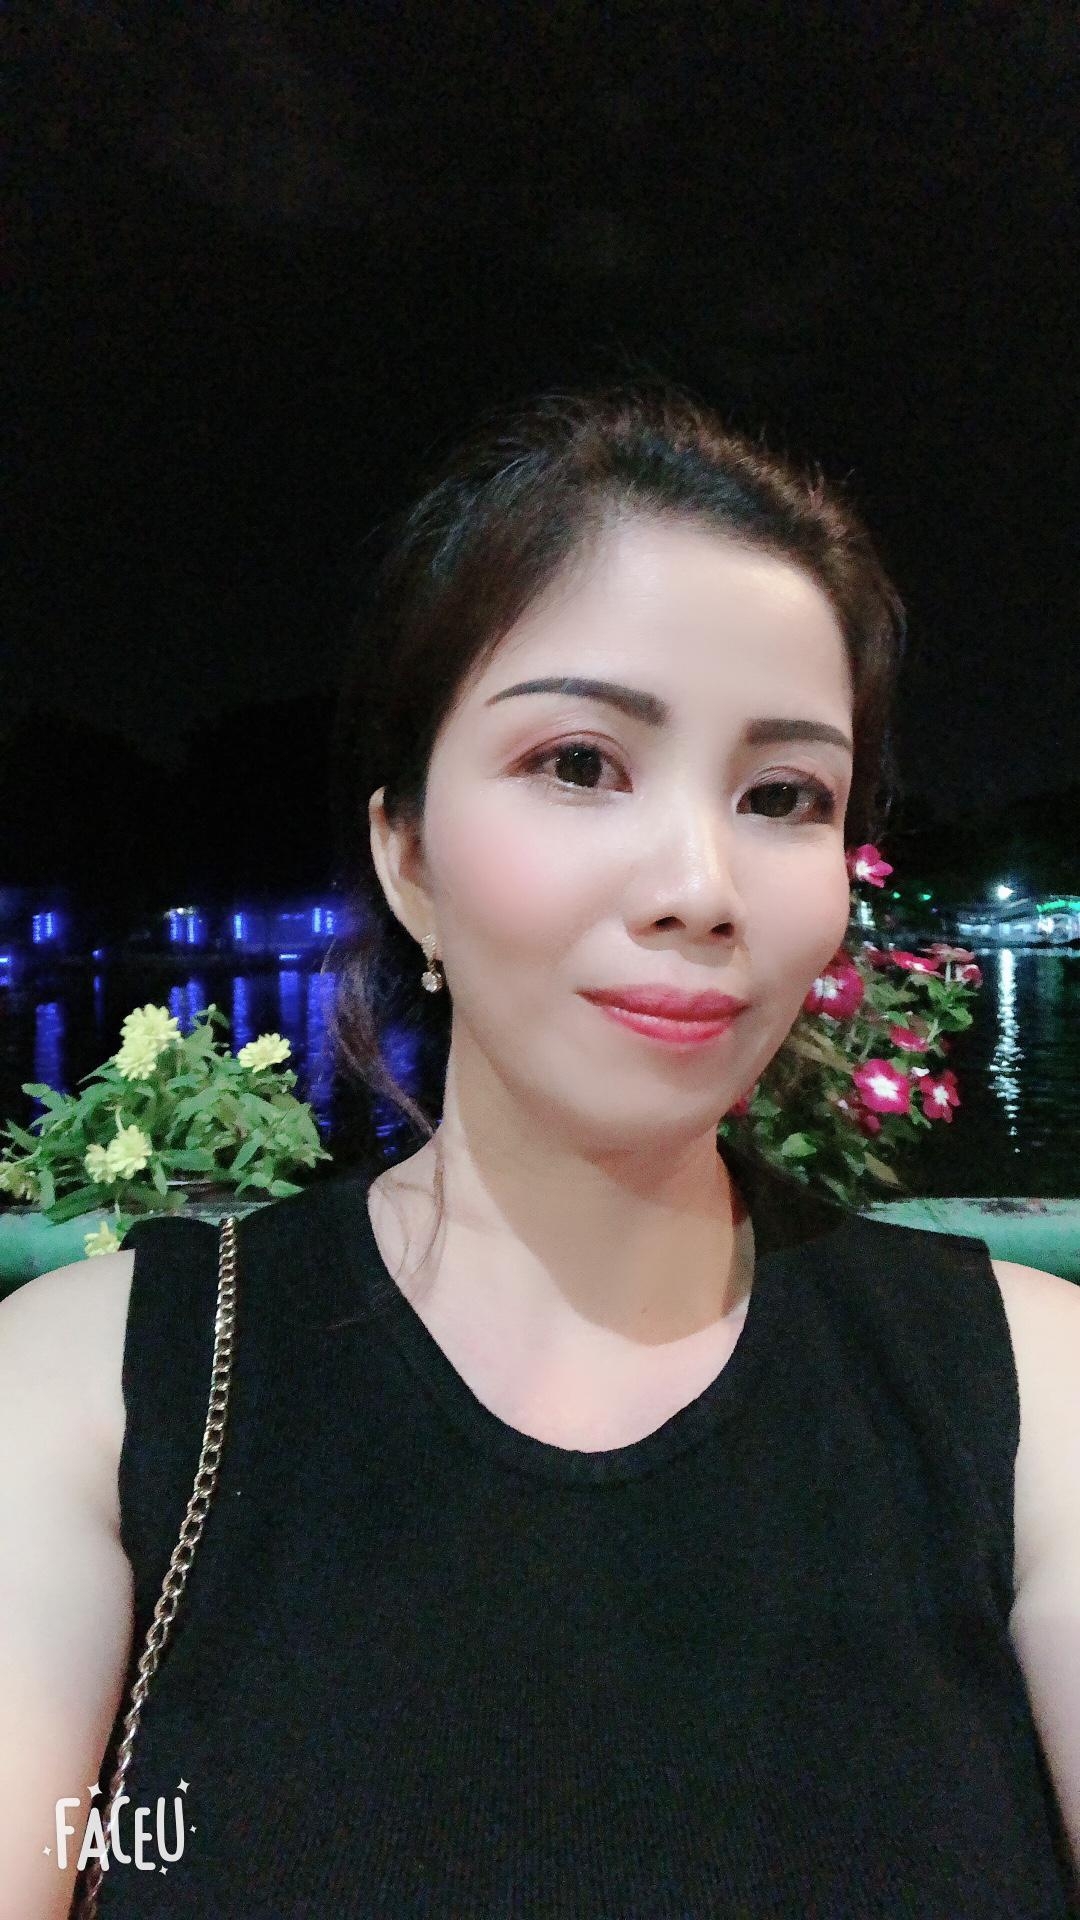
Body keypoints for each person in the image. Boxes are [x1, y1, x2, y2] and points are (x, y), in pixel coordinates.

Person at [2, 381, 1078, 1918]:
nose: (701, 885)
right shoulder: (87, 1403)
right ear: (407, 854)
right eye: (580, 763)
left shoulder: (1033, 1407)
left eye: (783, 795)